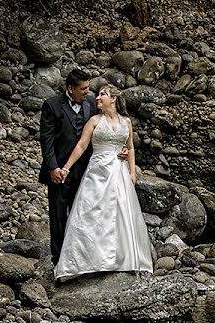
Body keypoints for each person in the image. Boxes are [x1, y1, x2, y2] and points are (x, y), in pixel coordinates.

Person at [53, 84, 154, 282]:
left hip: (119, 172)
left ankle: (120, 260)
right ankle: (87, 261)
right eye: (98, 94)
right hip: (97, 172)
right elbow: (82, 145)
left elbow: (130, 147)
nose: (97, 98)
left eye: (102, 95)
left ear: (113, 98)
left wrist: (132, 172)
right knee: (93, 213)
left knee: (120, 214)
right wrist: (66, 167)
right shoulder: (94, 121)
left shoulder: (126, 121)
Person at [39, 68, 99, 265]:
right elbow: (46, 140)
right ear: (70, 88)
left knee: (81, 213)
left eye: (88, 88)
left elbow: (105, 128)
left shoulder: (91, 103)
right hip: (59, 170)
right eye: (82, 89)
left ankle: (79, 257)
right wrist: (52, 168)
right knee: (58, 215)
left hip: (84, 170)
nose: (86, 92)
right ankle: (59, 261)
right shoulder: (52, 105)